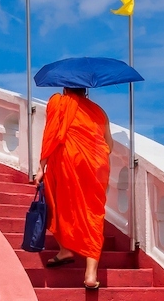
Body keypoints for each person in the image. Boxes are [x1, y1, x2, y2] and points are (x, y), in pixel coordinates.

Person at [37, 87, 113, 289]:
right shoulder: (99, 111)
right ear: (85, 90)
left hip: (69, 161)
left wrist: (41, 166)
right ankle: (90, 274)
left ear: (65, 88)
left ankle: (65, 249)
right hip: (96, 166)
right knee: (93, 214)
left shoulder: (58, 103)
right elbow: (109, 145)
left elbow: (50, 135)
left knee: (60, 203)